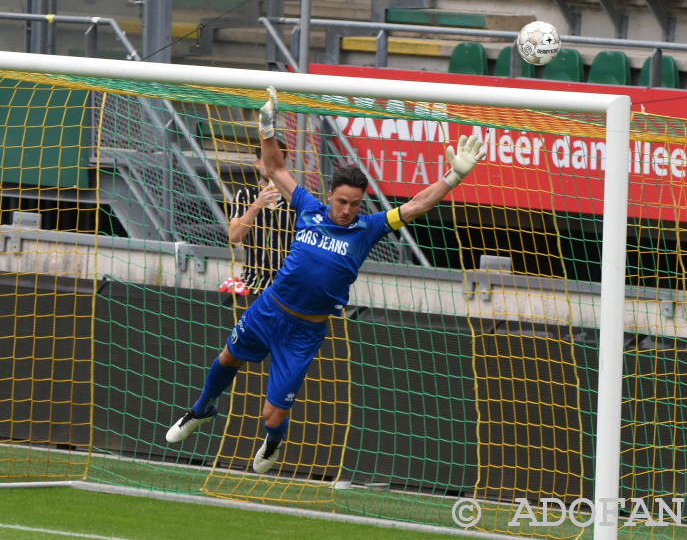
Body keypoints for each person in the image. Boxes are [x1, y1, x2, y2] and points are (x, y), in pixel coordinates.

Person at [166, 87, 485, 474]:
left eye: (354, 203)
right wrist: (267, 128)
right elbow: (276, 169)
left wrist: (453, 176)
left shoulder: (369, 228)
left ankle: (274, 441)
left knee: (271, 414)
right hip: (268, 307)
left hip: (305, 332)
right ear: (330, 195)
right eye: (342, 201)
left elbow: (416, 205)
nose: (348, 209)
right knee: (227, 357)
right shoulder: (308, 207)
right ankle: (200, 410)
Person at [224, 145, 294, 313]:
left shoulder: (295, 199)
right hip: (252, 286)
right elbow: (233, 236)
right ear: (257, 163)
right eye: (267, 160)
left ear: (283, 166)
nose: (271, 165)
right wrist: (257, 204)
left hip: (287, 289)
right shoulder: (244, 195)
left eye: (276, 161)